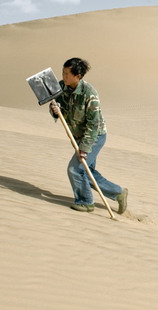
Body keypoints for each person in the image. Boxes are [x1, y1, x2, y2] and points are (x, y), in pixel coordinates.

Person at [48, 58, 128, 213]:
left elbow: (94, 124)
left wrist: (84, 148)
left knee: (75, 169)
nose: (63, 76)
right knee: (86, 172)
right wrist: (54, 110)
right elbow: (58, 110)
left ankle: (85, 202)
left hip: (94, 137)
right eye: (63, 72)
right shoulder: (60, 87)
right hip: (78, 136)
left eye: (67, 74)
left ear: (78, 75)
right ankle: (119, 192)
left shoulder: (89, 94)